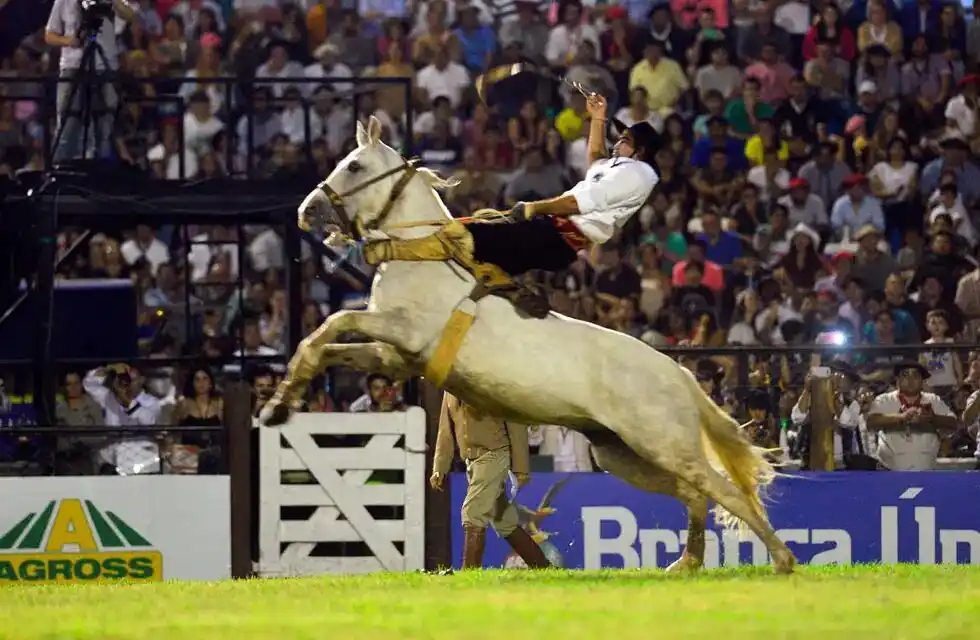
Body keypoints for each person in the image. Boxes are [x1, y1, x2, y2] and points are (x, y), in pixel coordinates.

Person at [362, 93, 660, 300]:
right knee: (478, 262)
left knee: (465, 232)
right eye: (619, 136)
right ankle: (508, 289)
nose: (618, 141)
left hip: (553, 232)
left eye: (626, 140)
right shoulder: (619, 168)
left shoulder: (636, 172)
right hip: (560, 243)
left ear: (641, 151)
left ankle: (389, 251)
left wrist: (532, 207)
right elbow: (594, 158)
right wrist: (598, 119)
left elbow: (574, 203)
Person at [430, 392, 549, 570]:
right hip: (471, 462)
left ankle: (469, 573)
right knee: (503, 520)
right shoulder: (449, 391)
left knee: (473, 512)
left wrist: (521, 467)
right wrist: (439, 468)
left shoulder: (485, 384)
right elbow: (444, 430)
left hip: (494, 454)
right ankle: (544, 567)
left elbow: (516, 426)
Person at [44, 0, 135, 162]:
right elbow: (49, 35)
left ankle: (100, 170)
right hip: (73, 66)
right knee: (68, 123)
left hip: (105, 66)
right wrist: (69, 41)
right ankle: (59, 168)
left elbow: (130, 15)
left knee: (105, 123)